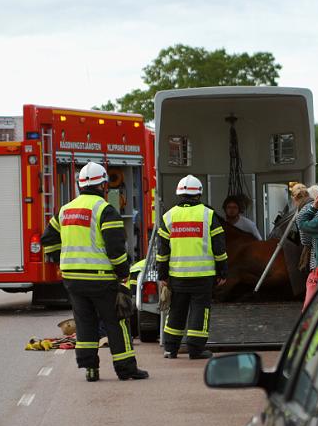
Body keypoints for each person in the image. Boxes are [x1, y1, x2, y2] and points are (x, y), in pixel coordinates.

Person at [41, 162, 148, 382]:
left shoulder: (65, 209)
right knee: (117, 322)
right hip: (101, 279)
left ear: (80, 185)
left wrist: (59, 260)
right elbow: (116, 247)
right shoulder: (104, 209)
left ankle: (90, 369)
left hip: (73, 280)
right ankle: (126, 370)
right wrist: (122, 272)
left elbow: (48, 239)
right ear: (103, 185)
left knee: (85, 323)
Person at [157, 175, 228, 359]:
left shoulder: (168, 217)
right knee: (200, 310)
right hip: (203, 276)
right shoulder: (208, 215)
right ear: (199, 194)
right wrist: (223, 271)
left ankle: (171, 348)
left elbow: (162, 252)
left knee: (176, 309)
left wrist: (162, 275)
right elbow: (219, 249)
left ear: (179, 194)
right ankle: (196, 349)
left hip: (177, 275)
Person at [292, 184, 318, 306]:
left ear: (295, 199)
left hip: (317, 261)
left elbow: (305, 241)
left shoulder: (303, 213)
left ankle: (310, 320)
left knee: (312, 295)